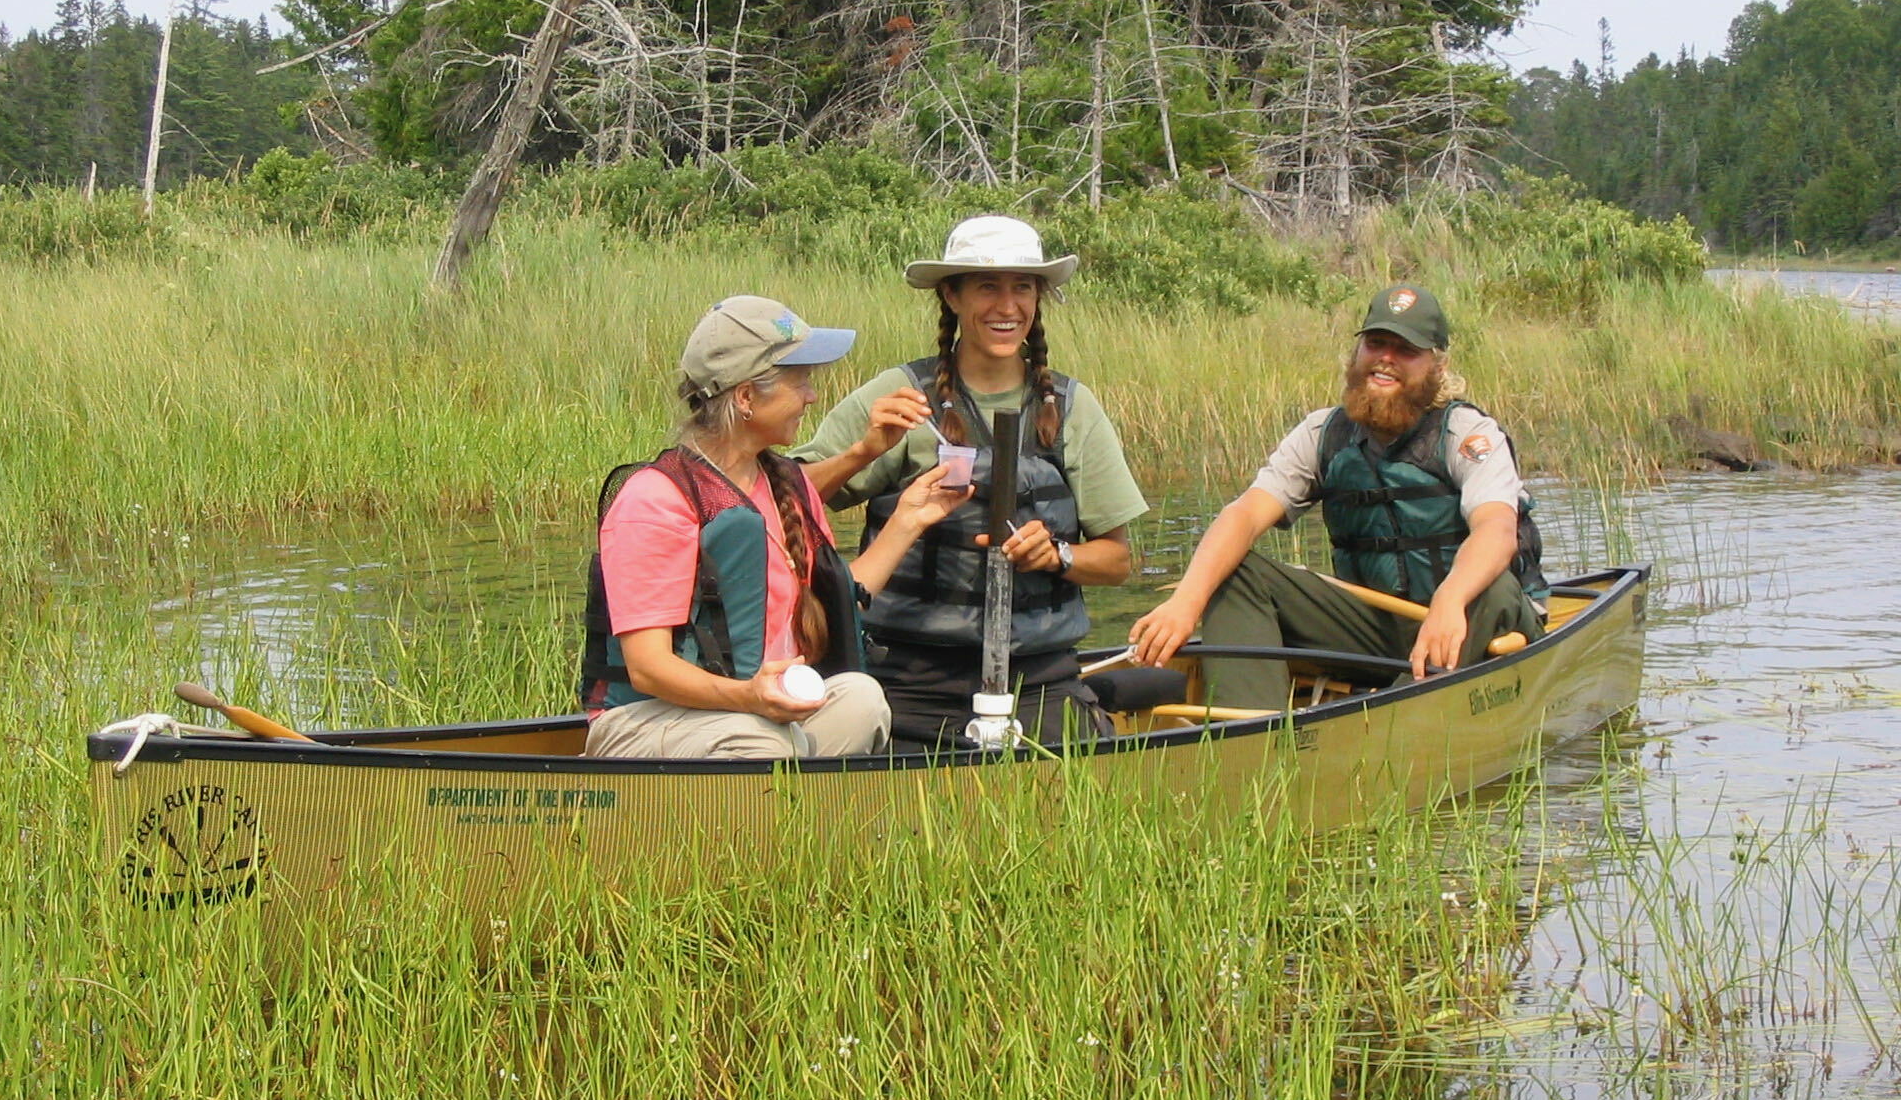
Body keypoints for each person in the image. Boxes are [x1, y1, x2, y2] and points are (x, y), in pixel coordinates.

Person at [794, 216, 1149, 746]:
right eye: (988, 287)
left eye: (1022, 287)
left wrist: (1057, 556)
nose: (1008, 307)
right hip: (909, 680)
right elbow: (779, 504)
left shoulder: (1072, 408)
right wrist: (863, 451)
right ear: (951, 295)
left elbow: (1118, 562)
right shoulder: (901, 394)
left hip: (1041, 681)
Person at [582, 296, 969, 760]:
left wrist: (911, 516)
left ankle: (809, 824)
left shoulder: (786, 484)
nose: (811, 395)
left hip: (752, 717)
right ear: (746, 397)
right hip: (646, 720)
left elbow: (845, 595)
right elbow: (648, 670)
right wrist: (749, 699)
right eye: (799, 382)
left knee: (861, 699)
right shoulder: (656, 499)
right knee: (764, 740)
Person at [1127, 284, 1546, 710]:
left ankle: (1400, 717)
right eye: (1376, 343)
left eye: (1406, 349)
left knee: (1492, 588)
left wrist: (1449, 599)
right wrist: (1186, 602)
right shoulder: (1324, 434)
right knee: (1236, 572)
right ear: (1358, 351)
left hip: (1468, 619)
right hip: (1379, 627)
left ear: (1437, 364)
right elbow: (1246, 514)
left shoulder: (1468, 434)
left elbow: (1496, 529)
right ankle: (1248, 734)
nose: (1386, 357)